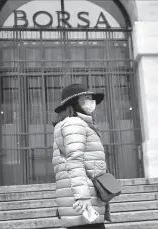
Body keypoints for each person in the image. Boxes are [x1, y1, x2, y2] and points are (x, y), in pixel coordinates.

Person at [52, 83, 110, 229]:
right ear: (74, 102)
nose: (91, 102)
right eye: (86, 98)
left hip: (83, 201)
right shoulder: (74, 124)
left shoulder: (72, 124)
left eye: (91, 98)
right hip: (84, 201)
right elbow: (74, 160)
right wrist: (83, 196)